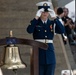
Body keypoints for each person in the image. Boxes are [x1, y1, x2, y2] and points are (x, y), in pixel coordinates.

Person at [27, 1, 66, 75]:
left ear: (49, 13)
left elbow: (62, 30)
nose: (45, 13)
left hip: (50, 52)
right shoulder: (35, 22)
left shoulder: (52, 23)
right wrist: (36, 17)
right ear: (39, 12)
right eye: (42, 12)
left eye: (46, 12)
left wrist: (55, 17)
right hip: (38, 52)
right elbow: (29, 30)